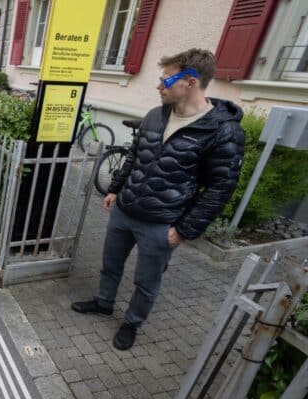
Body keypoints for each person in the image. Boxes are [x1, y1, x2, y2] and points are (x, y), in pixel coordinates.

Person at [71, 48, 245, 350]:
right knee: (110, 264)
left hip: (161, 225)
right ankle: (103, 303)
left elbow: (220, 188)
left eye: (166, 80)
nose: (158, 85)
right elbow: (134, 156)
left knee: (147, 282)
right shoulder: (155, 115)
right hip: (125, 210)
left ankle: (132, 323)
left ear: (190, 81)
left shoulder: (223, 131)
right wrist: (115, 189)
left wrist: (185, 229)